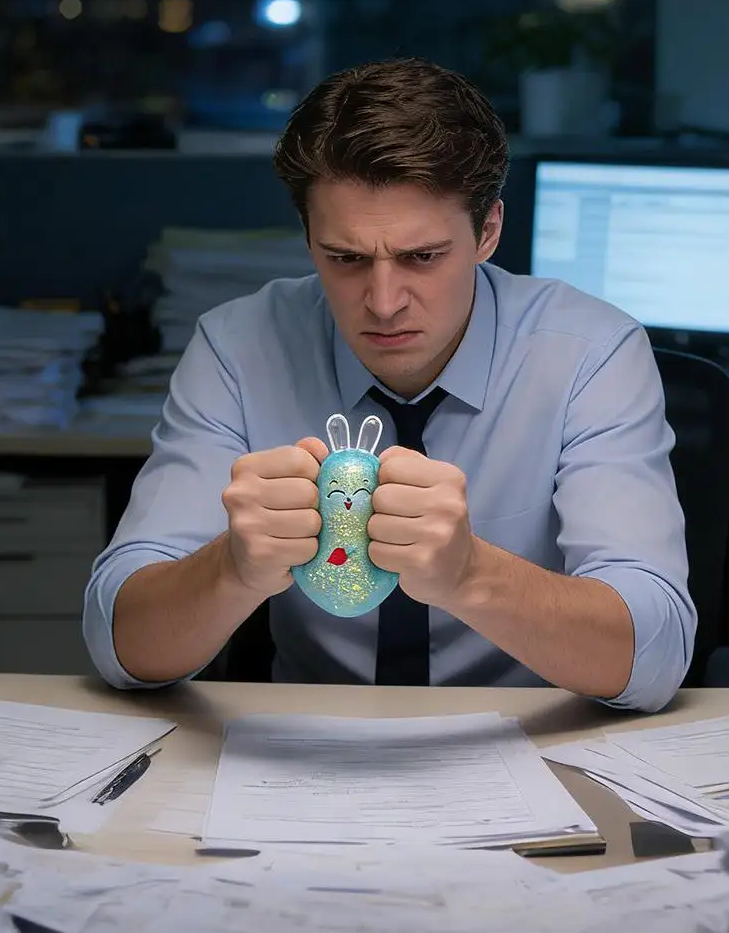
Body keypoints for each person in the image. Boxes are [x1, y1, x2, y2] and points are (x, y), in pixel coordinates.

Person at [83, 57, 695, 707]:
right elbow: (119, 646)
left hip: (526, 743)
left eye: (421, 257)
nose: (381, 301)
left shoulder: (590, 354)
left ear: (487, 230)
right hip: (308, 748)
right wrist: (231, 567)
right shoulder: (239, 347)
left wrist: (470, 573)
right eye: (344, 258)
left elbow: (653, 657)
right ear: (308, 235)